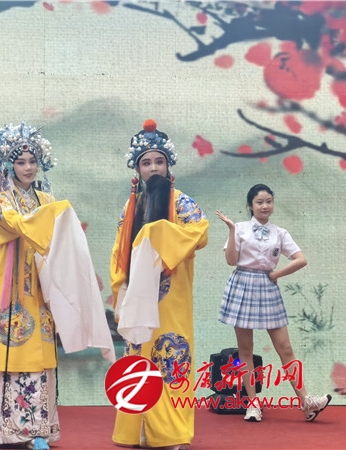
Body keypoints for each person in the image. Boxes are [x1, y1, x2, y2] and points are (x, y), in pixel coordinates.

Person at [0, 122, 115, 450]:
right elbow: (19, 224)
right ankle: (3, 430)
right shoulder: (1, 202)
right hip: (11, 291)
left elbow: (60, 238)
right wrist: (53, 215)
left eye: (32, 161)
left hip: (40, 289)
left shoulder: (46, 199)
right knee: (12, 350)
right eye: (21, 161)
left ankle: (38, 431)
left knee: (40, 354)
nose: (28, 167)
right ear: (8, 165)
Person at [110, 119, 209, 450]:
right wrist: (121, 287)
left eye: (159, 161)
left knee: (171, 356)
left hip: (171, 297)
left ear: (168, 166)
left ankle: (170, 433)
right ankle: (137, 431)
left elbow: (199, 233)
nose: (153, 168)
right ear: (137, 169)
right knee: (138, 357)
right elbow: (119, 252)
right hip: (138, 296)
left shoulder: (181, 202)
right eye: (146, 163)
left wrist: (159, 235)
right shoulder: (131, 206)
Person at [216, 184, 331, 423]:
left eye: (269, 201)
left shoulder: (280, 233)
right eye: (259, 202)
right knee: (245, 350)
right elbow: (231, 261)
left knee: (285, 348)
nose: (265, 206)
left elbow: (301, 259)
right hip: (243, 284)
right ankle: (253, 404)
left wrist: (275, 275)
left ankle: (306, 402)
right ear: (251, 205)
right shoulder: (240, 228)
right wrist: (231, 229)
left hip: (268, 288)